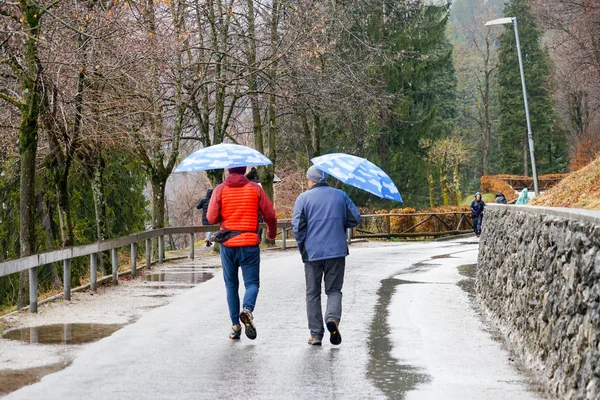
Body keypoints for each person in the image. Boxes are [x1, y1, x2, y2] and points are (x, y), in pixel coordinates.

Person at [292, 166, 361, 346]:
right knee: (334, 290)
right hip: (337, 251)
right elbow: (355, 218)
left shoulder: (303, 198)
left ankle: (316, 335)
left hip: (312, 253)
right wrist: (339, 222)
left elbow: (298, 227)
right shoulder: (340, 195)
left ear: (311, 180)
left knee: (312, 293)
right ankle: (332, 319)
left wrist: (303, 248)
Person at [207, 166, 277, 340]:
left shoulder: (220, 189)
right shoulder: (255, 189)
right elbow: (270, 215)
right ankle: (247, 310)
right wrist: (271, 234)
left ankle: (235, 326)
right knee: (252, 284)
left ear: (228, 170)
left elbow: (211, 218)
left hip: (228, 245)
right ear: (244, 168)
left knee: (231, 286)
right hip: (249, 244)